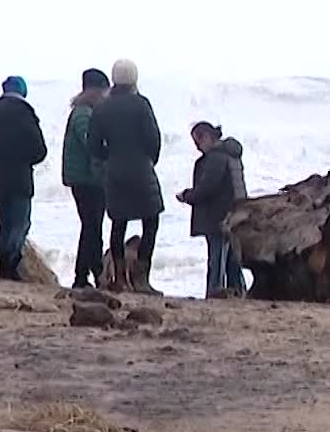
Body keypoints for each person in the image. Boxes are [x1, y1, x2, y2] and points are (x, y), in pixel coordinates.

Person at [89, 58, 164, 294]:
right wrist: (150, 159)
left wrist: (108, 157)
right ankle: (141, 279)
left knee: (118, 223)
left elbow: (92, 144)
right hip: (141, 169)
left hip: (115, 170)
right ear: (134, 78)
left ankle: (119, 278)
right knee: (151, 220)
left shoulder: (102, 107)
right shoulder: (141, 104)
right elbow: (153, 138)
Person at [0, 75, 47, 281]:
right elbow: (39, 149)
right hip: (20, 176)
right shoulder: (26, 112)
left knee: (5, 222)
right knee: (20, 224)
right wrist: (26, 159)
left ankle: (3, 266)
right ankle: (11, 264)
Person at [60, 67, 111, 290]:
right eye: (103, 92)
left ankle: (87, 273)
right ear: (94, 90)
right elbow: (90, 142)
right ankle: (88, 274)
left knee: (90, 226)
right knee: (92, 226)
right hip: (86, 179)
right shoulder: (83, 113)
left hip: (85, 178)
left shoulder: (85, 112)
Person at [177, 121, 239, 298]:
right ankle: (237, 290)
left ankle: (215, 290)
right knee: (231, 258)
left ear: (206, 136)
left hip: (218, 214)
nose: (197, 147)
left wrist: (187, 196)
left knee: (217, 256)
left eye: (198, 142)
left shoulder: (216, 157)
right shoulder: (231, 154)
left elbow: (207, 187)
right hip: (233, 211)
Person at [219, 133, 248, 296]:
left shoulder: (221, 158)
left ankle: (225, 288)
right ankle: (239, 287)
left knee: (225, 252)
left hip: (229, 208)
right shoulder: (235, 156)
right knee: (234, 253)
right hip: (240, 205)